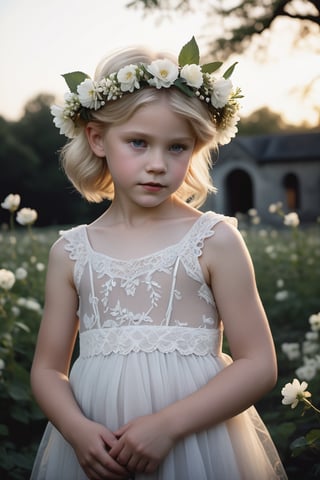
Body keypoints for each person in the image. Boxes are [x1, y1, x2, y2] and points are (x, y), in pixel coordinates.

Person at [30, 37, 287, 480]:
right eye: (138, 142)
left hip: (197, 444)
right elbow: (48, 369)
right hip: (97, 448)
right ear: (97, 138)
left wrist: (168, 426)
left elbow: (258, 363)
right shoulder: (71, 252)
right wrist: (77, 432)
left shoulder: (213, 240)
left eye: (176, 147)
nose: (157, 164)